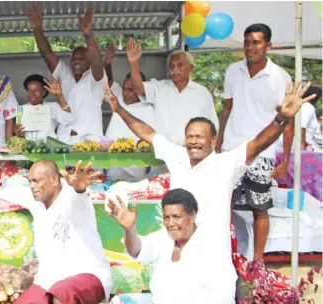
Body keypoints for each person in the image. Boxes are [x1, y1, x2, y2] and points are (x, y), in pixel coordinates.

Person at [104, 78, 316, 296]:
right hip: (176, 258)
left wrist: (281, 119)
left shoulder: (226, 163)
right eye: (189, 136)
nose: (193, 141)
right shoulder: (176, 155)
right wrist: (119, 109)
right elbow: (146, 132)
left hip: (214, 266)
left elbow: (258, 143)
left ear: (213, 141)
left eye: (199, 137)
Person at [215, 24, 295, 261]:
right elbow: (226, 109)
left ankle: (257, 263)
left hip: (263, 153)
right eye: (247, 42)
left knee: (260, 208)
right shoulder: (232, 70)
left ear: (268, 46)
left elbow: (287, 122)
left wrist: (286, 159)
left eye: (257, 42)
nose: (251, 47)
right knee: (223, 204)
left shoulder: (281, 77)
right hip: (232, 149)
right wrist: (218, 143)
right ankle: (223, 255)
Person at [0, 160, 112, 304]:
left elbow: (80, 201)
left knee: (62, 293)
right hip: (48, 282)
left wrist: (80, 190)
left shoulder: (72, 196)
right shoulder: (35, 200)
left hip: (87, 277)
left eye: (37, 181)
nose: (32, 186)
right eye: (30, 181)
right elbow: (10, 194)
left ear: (55, 179)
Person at [107, 188, 232, 303]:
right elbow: (136, 251)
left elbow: (224, 294)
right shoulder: (164, 238)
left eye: (176, 217)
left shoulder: (212, 247)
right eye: (166, 218)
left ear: (192, 215)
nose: (171, 223)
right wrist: (129, 229)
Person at [24, 3, 109, 144]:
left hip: (90, 142)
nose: (77, 62)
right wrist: (37, 29)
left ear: (89, 61)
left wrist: (88, 34)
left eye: (81, 59)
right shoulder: (65, 74)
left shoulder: (96, 78)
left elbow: (97, 60)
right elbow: (47, 54)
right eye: (74, 59)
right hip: (63, 141)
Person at [126, 38, 218, 146]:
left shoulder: (202, 93)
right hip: (164, 153)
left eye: (180, 65)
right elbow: (138, 88)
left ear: (190, 68)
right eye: (172, 66)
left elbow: (213, 127)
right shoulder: (159, 88)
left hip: (192, 153)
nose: (175, 69)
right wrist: (134, 63)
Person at [104, 72, 156, 182]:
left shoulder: (148, 110)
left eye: (131, 90)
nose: (126, 93)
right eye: (124, 88)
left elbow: (150, 140)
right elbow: (106, 81)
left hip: (135, 167)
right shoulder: (119, 100)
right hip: (112, 162)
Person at [13, 74, 73, 141]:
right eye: (29, 90)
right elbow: (21, 137)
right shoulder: (22, 110)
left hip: (49, 149)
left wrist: (59, 95)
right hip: (28, 149)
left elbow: (69, 120)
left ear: (44, 92)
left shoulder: (52, 107)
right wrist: (18, 133)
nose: (31, 94)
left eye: (35, 90)